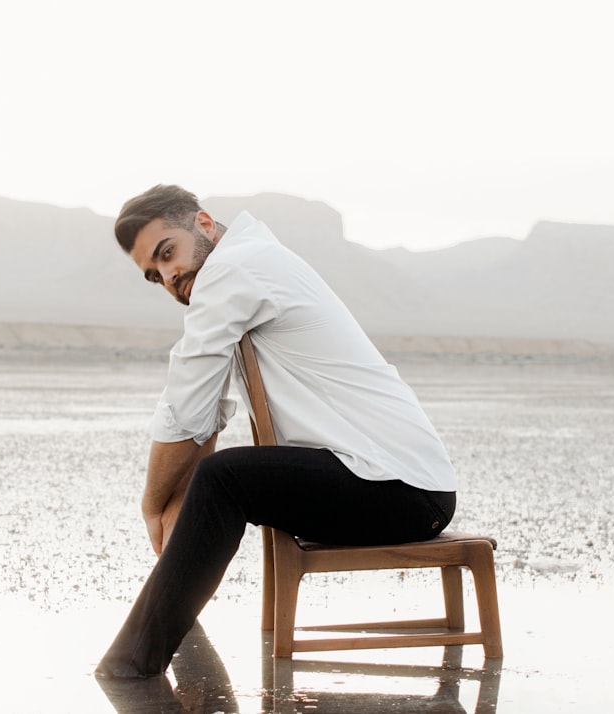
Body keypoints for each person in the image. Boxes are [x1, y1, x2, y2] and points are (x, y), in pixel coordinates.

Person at [95, 185, 457, 678]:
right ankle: (164, 639)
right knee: (219, 478)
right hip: (393, 482)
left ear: (203, 224)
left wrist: (153, 506)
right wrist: (177, 505)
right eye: (153, 275)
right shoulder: (248, 261)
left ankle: (129, 668)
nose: (169, 276)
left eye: (167, 253)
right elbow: (201, 411)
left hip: (399, 489)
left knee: (225, 479)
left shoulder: (233, 268)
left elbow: (182, 409)